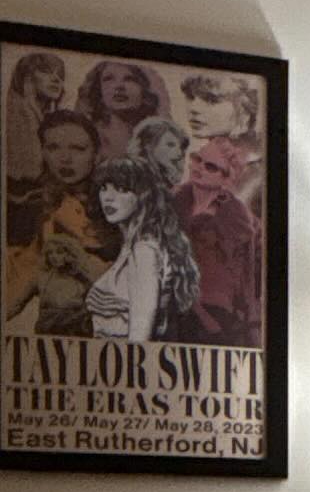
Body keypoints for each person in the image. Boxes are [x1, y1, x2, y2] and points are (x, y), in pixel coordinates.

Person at [3, 106, 114, 320]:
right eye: (53, 147)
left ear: (96, 154)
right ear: (43, 152)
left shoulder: (113, 204)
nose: (65, 158)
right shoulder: (31, 206)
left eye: (78, 148)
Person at [82, 156, 199, 343]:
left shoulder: (144, 251)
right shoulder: (131, 247)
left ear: (143, 195)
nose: (108, 197)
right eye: (104, 188)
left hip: (124, 358)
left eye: (121, 189)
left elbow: (139, 339)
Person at [183, 135, 263, 344]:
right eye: (197, 159)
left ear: (227, 178)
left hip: (217, 318)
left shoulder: (238, 219)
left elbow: (248, 280)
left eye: (210, 167)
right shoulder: (174, 200)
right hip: (175, 309)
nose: (199, 168)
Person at [77, 57, 169, 170]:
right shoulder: (87, 138)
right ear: (98, 90)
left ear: (144, 90)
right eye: (108, 79)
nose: (119, 86)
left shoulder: (159, 140)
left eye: (130, 79)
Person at [5, 48, 65, 197]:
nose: (56, 79)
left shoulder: (50, 117)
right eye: (46, 71)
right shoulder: (15, 111)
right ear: (28, 77)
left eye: (60, 75)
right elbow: (30, 171)